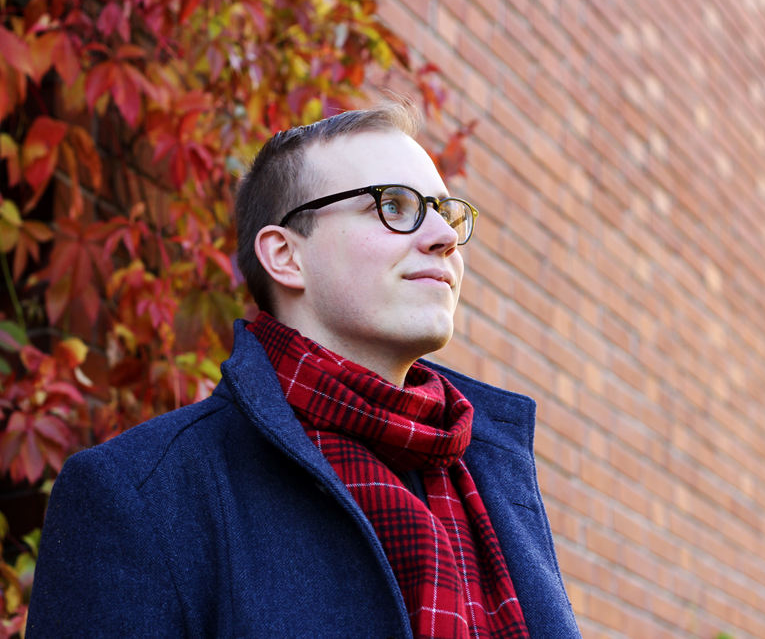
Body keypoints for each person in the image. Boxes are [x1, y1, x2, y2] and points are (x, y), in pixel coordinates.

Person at [27, 101, 581, 639]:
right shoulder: (140, 495)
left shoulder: (491, 477)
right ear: (285, 256)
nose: (443, 239)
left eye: (446, 212)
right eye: (394, 206)